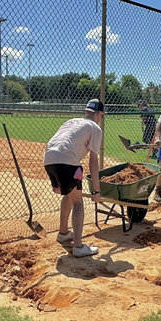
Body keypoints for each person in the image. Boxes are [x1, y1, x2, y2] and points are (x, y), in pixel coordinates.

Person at [43, 99, 104, 257]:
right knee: (78, 202)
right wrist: (96, 191)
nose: (100, 119)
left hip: (49, 158)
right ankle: (78, 246)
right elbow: (93, 162)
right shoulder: (95, 127)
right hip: (66, 160)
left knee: (70, 194)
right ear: (98, 114)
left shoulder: (72, 121)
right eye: (101, 116)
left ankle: (63, 233)